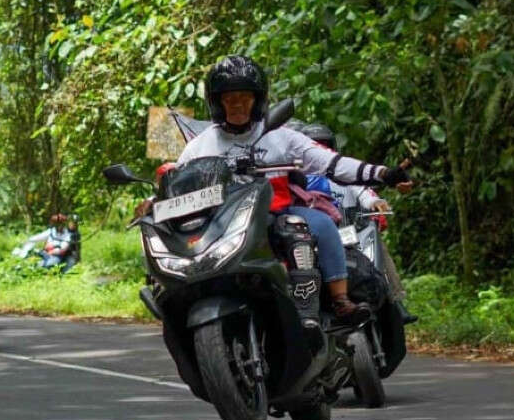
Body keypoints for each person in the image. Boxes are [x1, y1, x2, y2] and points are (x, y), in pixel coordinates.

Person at [175, 55, 412, 328]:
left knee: (318, 225)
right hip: (224, 222)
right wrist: (151, 203)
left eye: (244, 96)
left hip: (279, 211)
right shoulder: (200, 146)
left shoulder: (279, 135)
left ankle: (336, 301)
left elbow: (331, 163)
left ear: (258, 100)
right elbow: (177, 181)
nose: (237, 104)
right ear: (217, 102)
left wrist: (383, 173)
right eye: (229, 98)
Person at [296, 121, 416, 324]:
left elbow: (365, 191)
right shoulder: (297, 178)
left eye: (324, 145)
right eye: (315, 145)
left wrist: (377, 203)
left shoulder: (343, 174)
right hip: (310, 238)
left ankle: (395, 300)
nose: (320, 150)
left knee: (378, 249)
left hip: (349, 232)